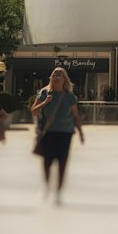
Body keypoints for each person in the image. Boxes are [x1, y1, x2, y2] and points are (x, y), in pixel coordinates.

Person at [31, 66, 85, 203]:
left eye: (59, 75)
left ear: (64, 79)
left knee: (62, 163)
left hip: (65, 133)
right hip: (48, 132)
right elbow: (34, 111)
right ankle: (46, 187)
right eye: (54, 74)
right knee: (47, 162)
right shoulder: (44, 93)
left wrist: (81, 133)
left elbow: (76, 116)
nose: (56, 77)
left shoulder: (69, 96)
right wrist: (44, 102)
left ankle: (58, 192)